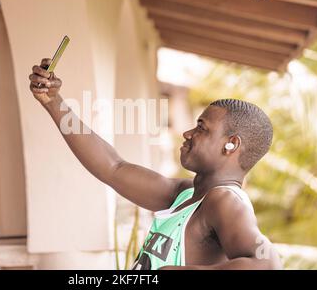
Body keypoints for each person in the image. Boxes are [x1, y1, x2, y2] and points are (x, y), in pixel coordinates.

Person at [29, 58, 282, 270]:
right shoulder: (184, 194)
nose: (188, 133)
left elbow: (267, 264)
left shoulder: (224, 201)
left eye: (202, 128)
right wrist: (53, 101)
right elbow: (112, 167)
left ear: (231, 145)